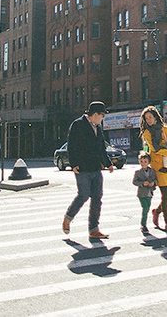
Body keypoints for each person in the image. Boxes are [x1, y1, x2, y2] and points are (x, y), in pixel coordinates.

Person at [62, 101, 115, 239]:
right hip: (82, 167)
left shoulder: (98, 127)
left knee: (97, 198)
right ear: (95, 114)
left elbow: (101, 146)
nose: (103, 118)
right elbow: (71, 145)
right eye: (102, 115)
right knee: (83, 195)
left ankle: (93, 229)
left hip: (95, 167)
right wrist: (73, 164)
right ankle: (68, 217)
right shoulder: (78, 124)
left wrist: (108, 163)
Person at [140, 106, 167, 232]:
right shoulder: (147, 132)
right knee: (165, 195)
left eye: (150, 117)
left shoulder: (165, 129)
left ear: (155, 116)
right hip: (158, 166)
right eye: (146, 118)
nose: (149, 120)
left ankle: (157, 211)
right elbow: (154, 148)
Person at [132, 151, 157, 235]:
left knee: (147, 208)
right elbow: (135, 182)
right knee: (145, 208)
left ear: (148, 162)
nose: (143, 163)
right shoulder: (138, 172)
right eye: (141, 161)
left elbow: (156, 179)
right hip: (142, 193)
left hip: (149, 193)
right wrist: (142, 183)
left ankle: (144, 223)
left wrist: (153, 183)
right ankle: (143, 224)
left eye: (145, 162)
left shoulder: (152, 171)